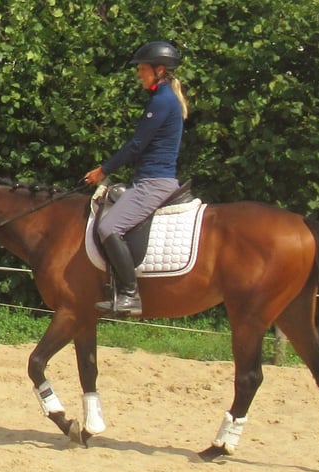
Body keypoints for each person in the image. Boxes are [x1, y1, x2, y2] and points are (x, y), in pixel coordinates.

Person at [84, 40, 189, 316]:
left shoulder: (162, 101)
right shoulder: (163, 98)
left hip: (154, 183)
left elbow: (136, 146)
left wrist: (103, 170)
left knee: (107, 228)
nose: (138, 74)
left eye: (142, 69)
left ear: (160, 70)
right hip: (150, 180)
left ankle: (130, 295)